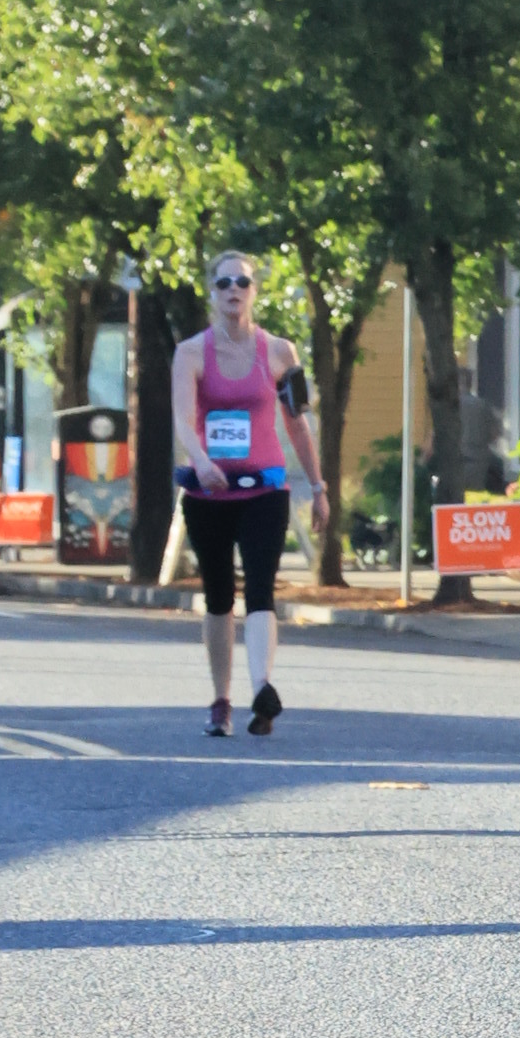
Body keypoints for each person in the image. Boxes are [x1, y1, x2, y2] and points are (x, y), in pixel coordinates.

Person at [172, 252, 324, 739]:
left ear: (254, 290)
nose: (233, 290)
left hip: (265, 490)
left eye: (242, 282)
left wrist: (318, 486)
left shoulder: (280, 352)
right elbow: (182, 419)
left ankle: (262, 688)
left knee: (261, 588)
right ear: (212, 292)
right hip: (208, 495)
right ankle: (221, 701)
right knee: (218, 597)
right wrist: (201, 460)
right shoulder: (190, 353)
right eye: (223, 283)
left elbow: (297, 424)